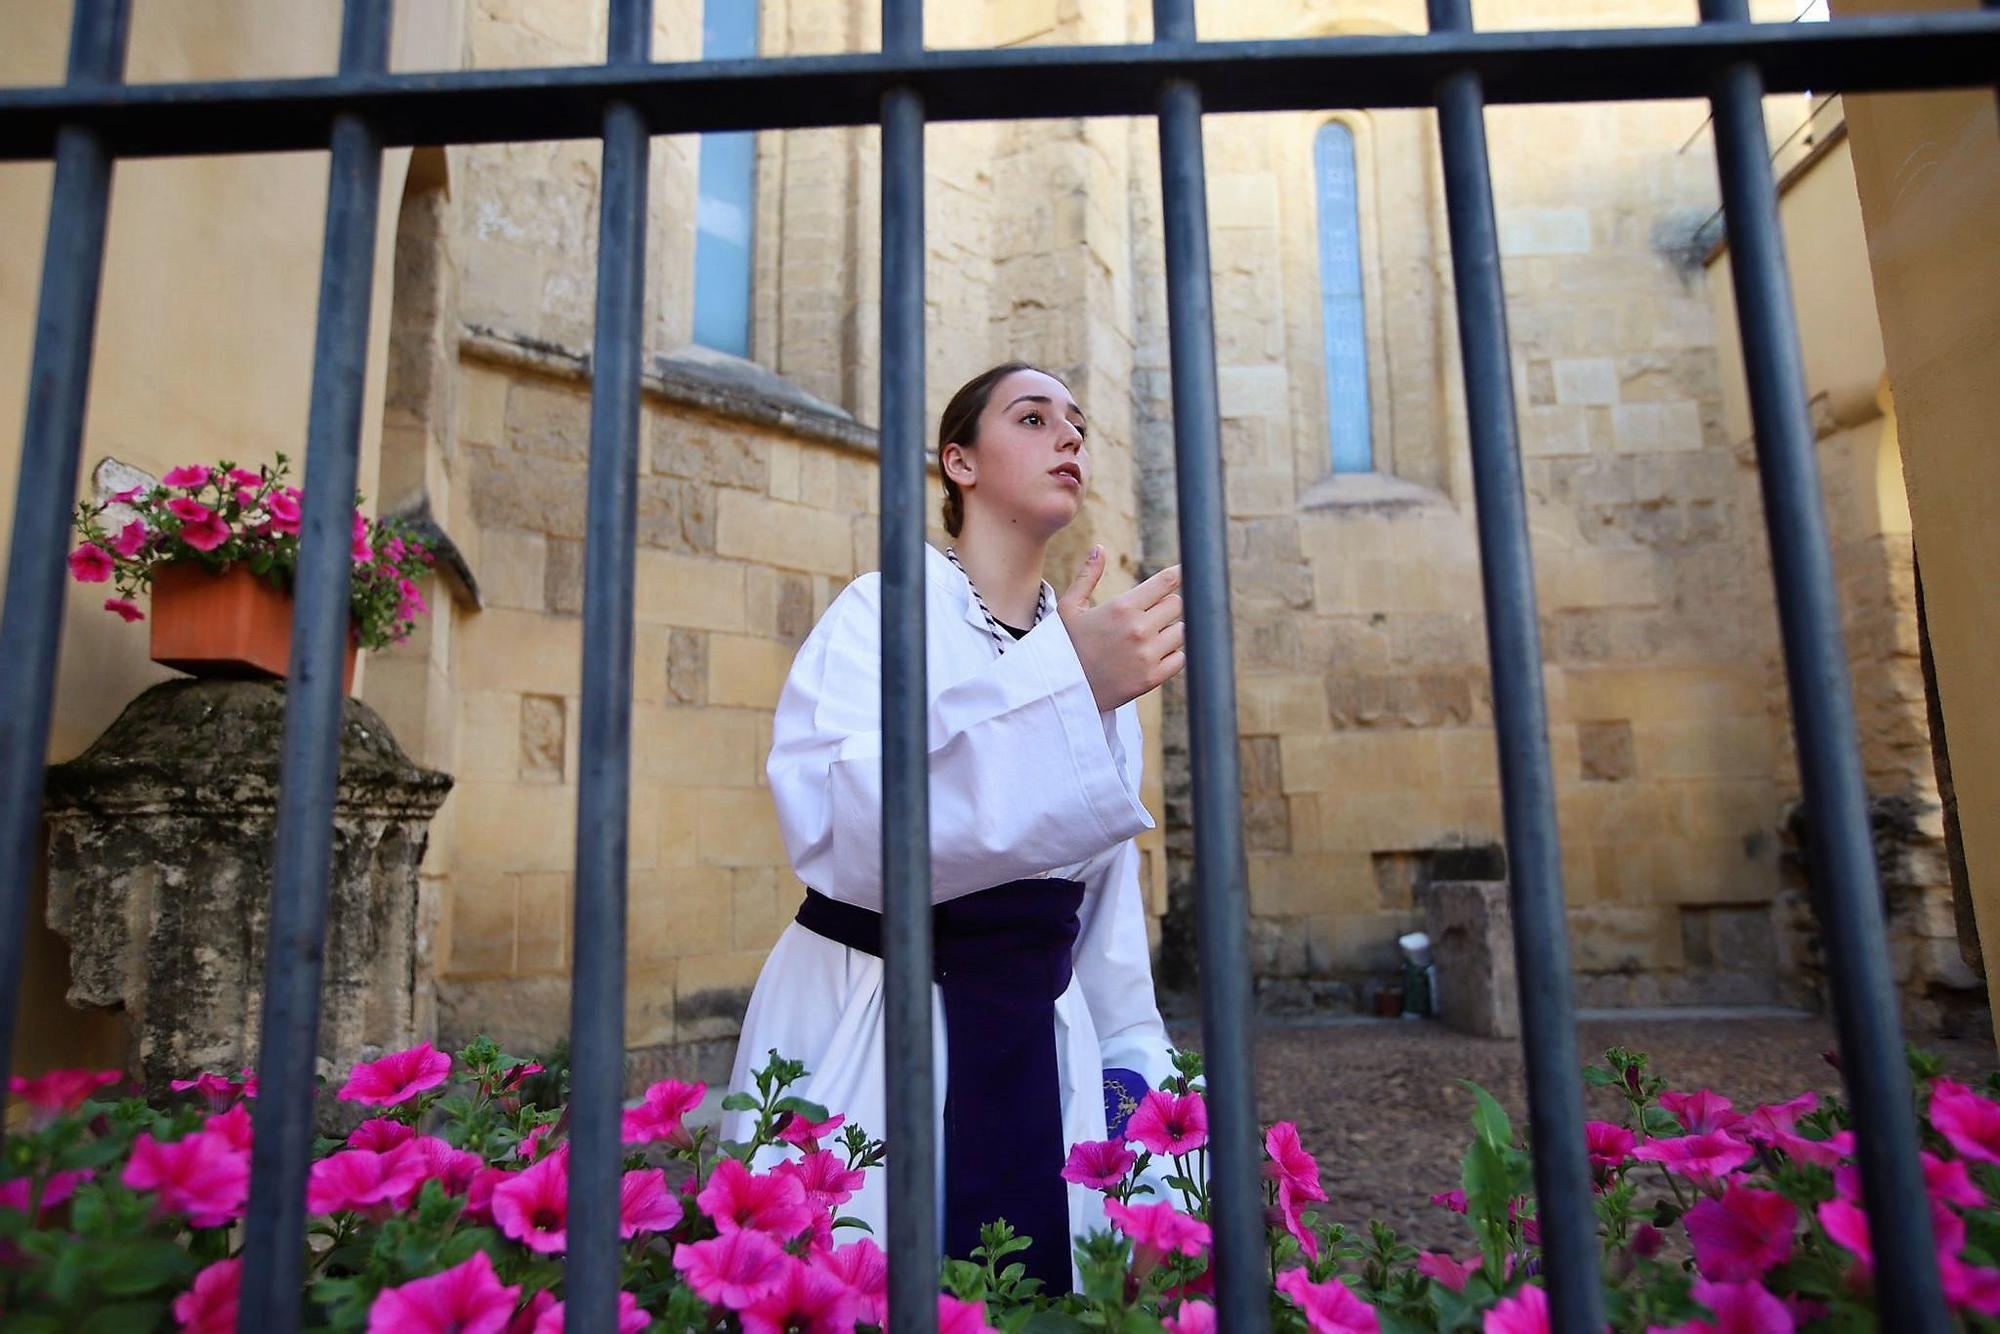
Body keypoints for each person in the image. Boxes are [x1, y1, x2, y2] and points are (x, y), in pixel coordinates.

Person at [721, 361, 1187, 1293]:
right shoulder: (881, 613)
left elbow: (1105, 950)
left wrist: (1160, 1139)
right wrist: (1068, 687)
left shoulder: (1092, 659)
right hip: (874, 1020)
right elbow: (841, 827)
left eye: (1078, 424)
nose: (1070, 438)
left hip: (1040, 1052)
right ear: (959, 462)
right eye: (1032, 416)